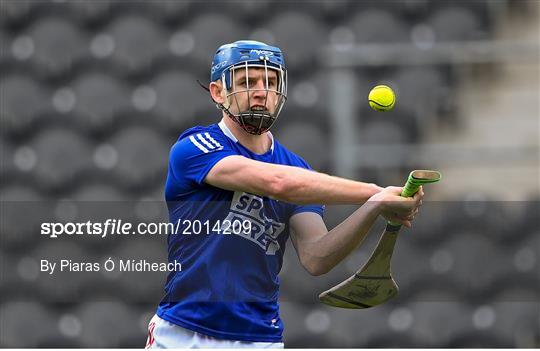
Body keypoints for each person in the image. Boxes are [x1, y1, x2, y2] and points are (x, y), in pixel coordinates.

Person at [146, 40, 423, 349]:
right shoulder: (195, 148)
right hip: (184, 334)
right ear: (217, 92)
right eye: (247, 82)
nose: (262, 91)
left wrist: (373, 207)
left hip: (259, 339)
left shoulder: (296, 167)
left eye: (271, 81)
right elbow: (279, 184)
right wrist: (374, 191)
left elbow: (316, 256)